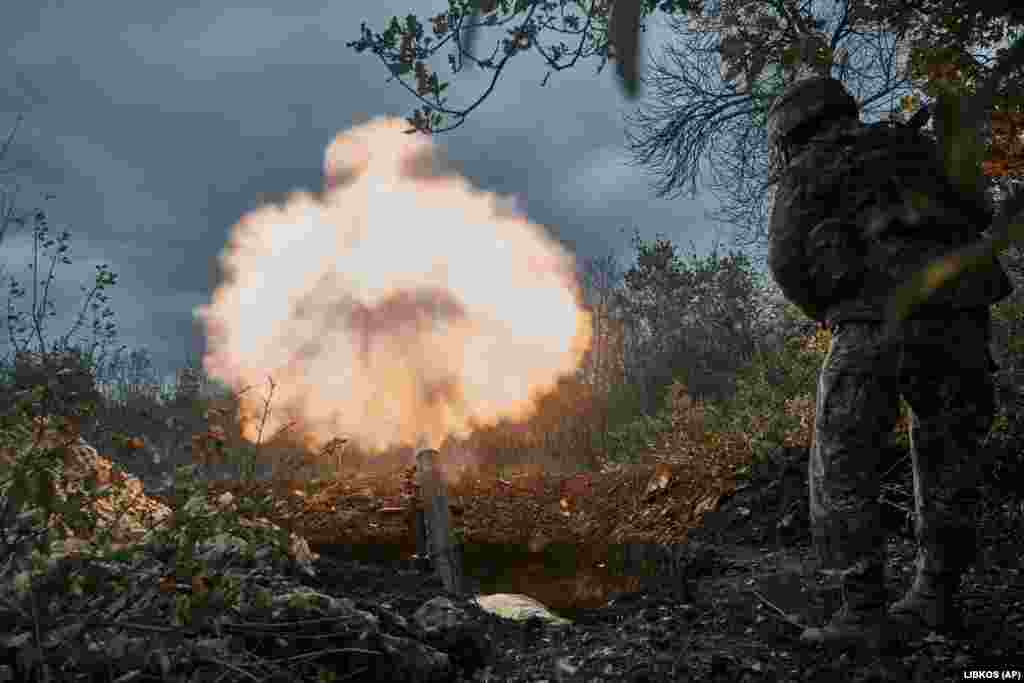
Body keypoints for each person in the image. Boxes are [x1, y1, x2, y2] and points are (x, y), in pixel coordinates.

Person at [765, 77, 1013, 649]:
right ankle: (937, 599)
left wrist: (830, 307)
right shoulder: (916, 148)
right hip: (959, 315)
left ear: (790, 132)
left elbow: (785, 261)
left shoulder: (809, 166)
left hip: (874, 322)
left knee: (842, 461)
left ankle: (864, 612)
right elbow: (978, 208)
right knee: (950, 455)